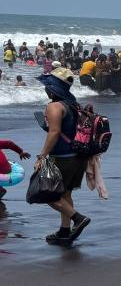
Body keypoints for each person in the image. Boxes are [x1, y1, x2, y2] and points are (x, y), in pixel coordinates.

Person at [31, 67, 92, 246]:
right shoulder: (73, 105)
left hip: (62, 157)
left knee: (46, 193)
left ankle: (78, 218)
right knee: (65, 194)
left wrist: (42, 157)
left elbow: (55, 132)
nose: (45, 89)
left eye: (47, 86)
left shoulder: (54, 106)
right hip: (78, 157)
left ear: (52, 88)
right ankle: (64, 232)